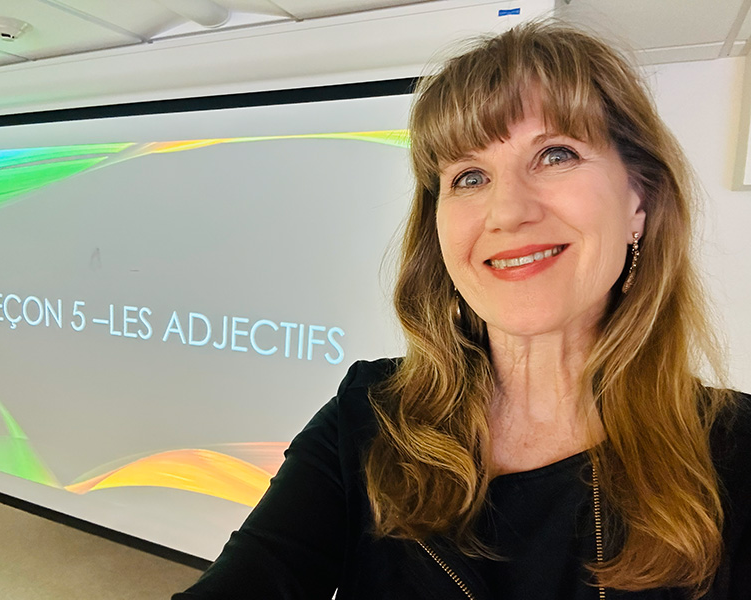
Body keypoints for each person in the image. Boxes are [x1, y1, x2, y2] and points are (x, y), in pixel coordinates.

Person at [173, 22, 751, 599]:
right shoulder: (370, 417)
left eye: (555, 154)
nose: (507, 211)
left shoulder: (735, 451)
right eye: (469, 176)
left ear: (639, 203)